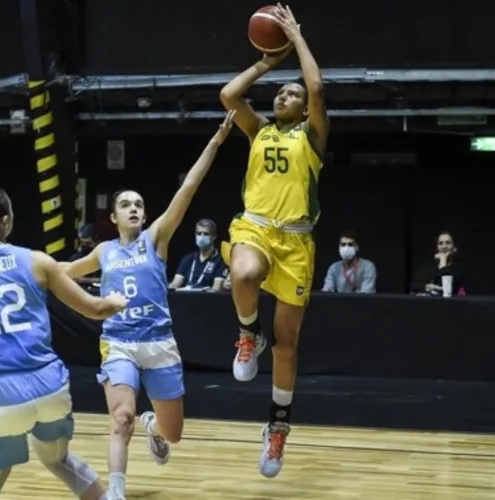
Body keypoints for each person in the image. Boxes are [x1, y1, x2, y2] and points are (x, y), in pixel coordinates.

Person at [61, 111, 236, 500]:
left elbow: (188, 188)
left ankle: (153, 427)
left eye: (139, 204)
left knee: (174, 432)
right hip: (119, 341)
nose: (135, 208)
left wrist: (214, 143)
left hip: (159, 343)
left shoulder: (156, 237)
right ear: (114, 215)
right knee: (120, 418)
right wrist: (28, 267)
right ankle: (116, 492)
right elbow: (64, 271)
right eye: (127, 204)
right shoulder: (104, 251)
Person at [0, 186, 129, 500]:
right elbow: (96, 309)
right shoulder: (37, 262)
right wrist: (116, 301)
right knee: (58, 459)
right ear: (5, 222)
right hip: (50, 388)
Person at [218, 3, 329, 479]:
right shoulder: (258, 130)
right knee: (243, 273)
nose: (284, 95)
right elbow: (228, 94)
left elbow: (318, 86)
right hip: (255, 227)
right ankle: (247, 333)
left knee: (286, 346)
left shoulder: (313, 137)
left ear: (304, 109)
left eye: (291, 93)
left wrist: (297, 39)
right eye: (280, 92)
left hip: (296, 243)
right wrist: (268, 60)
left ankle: (278, 427)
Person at [168, 218, 228, 292]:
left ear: (214, 236)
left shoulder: (220, 260)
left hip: (208, 300)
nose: (202, 237)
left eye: (206, 234)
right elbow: (175, 284)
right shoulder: (188, 259)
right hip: (184, 299)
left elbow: (216, 288)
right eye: (199, 233)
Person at [410, 230, 466, 295]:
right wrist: (428, 287)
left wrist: (443, 259)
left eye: (448, 243)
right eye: (440, 243)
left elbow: (446, 289)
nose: (444, 246)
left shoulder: (459, 268)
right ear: (437, 248)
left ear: (454, 248)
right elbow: (414, 285)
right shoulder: (429, 266)